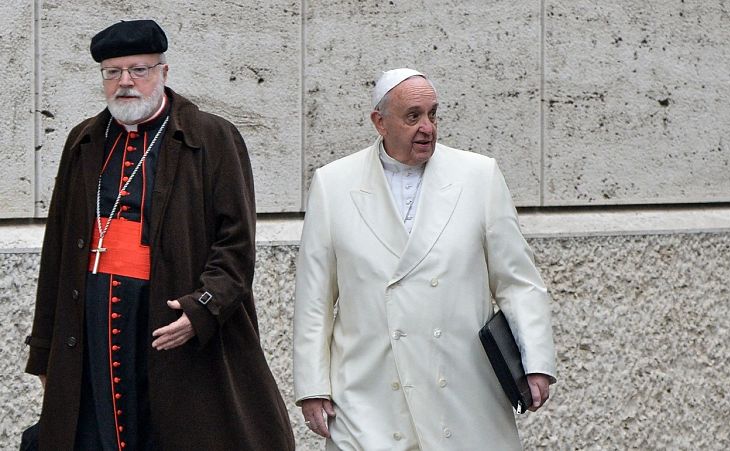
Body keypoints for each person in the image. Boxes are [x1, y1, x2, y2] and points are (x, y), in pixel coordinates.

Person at [24, 19, 294, 450]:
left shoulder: (211, 137)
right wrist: (45, 351)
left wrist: (201, 308)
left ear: (163, 73)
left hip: (172, 323)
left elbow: (236, 246)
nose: (125, 82)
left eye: (138, 70)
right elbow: (57, 249)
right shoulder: (84, 140)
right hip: (95, 327)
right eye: (112, 72)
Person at [293, 68, 557, 449]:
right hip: (370, 394)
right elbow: (314, 300)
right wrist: (313, 386)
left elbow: (518, 282)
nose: (427, 127)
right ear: (379, 122)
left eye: (433, 114)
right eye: (412, 116)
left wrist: (536, 362)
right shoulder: (333, 184)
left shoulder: (478, 176)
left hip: (462, 389)